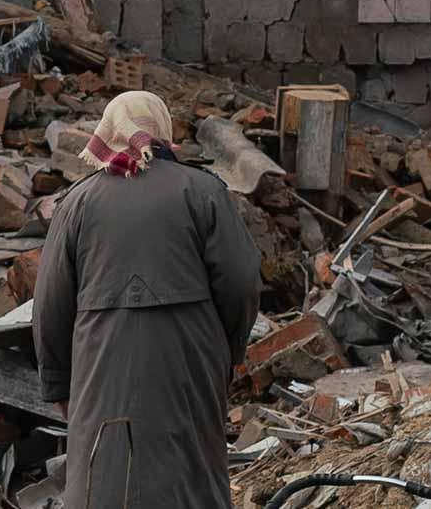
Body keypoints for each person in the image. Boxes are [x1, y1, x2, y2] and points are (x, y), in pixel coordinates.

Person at [33, 91, 261, 508]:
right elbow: (243, 282)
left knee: (102, 476)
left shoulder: (77, 203)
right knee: (191, 474)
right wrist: (226, 351)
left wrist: (59, 383)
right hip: (190, 358)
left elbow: (50, 303)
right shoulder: (203, 190)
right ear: (161, 128)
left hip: (99, 361)